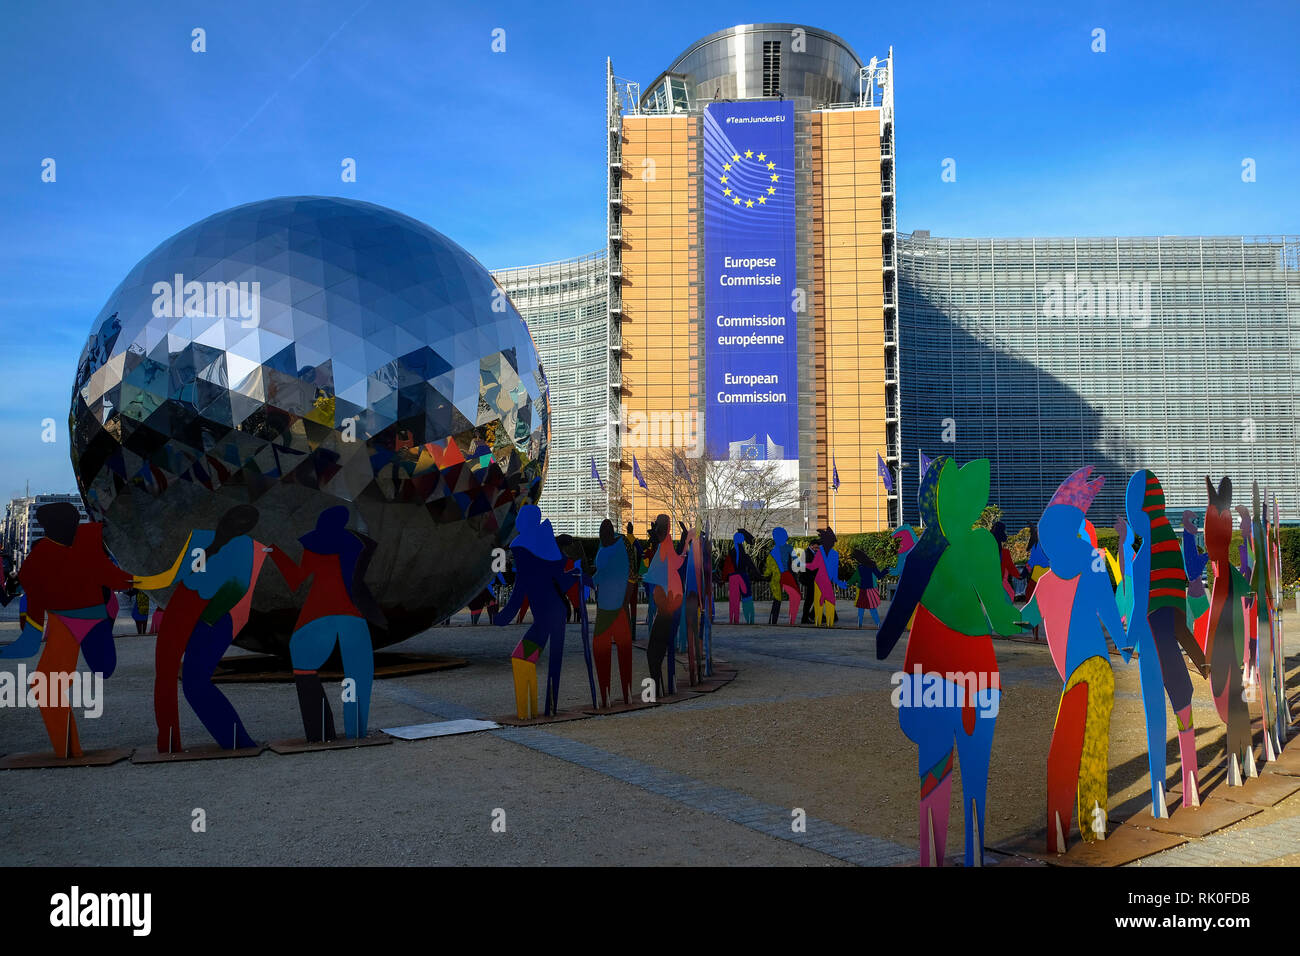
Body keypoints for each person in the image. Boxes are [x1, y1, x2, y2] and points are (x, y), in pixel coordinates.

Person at [135, 504, 265, 751]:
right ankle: (180, 743)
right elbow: (176, 575)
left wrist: (208, 617)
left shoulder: (236, 544)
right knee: (174, 679)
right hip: (191, 609)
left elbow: (236, 587)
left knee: (181, 681)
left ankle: (183, 743)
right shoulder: (220, 541)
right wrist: (136, 580)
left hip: (197, 611)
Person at [9, 503, 132, 757]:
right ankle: (68, 749)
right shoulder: (42, 558)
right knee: (46, 683)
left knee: (98, 668)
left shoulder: (80, 549)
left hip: (83, 617)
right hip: (69, 619)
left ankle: (69, 749)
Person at [267, 505, 375, 741]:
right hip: (353, 615)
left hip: (318, 614)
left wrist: (274, 552)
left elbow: (295, 579)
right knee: (358, 676)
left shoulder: (315, 546)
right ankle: (356, 731)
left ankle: (320, 731)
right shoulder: (356, 546)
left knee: (303, 667)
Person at [593, 519, 634, 706]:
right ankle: (628, 693)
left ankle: (605, 696)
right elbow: (629, 573)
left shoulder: (605, 551)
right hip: (620, 607)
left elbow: (599, 575)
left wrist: (584, 578)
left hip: (606, 608)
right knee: (624, 649)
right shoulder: (622, 547)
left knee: (601, 650)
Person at [848, 549, 882, 628]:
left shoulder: (860, 567)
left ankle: (860, 623)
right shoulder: (872, 565)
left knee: (861, 607)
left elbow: (854, 578)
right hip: (871, 589)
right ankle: (878, 624)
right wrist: (885, 571)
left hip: (862, 590)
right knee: (872, 608)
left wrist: (847, 584)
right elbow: (879, 575)